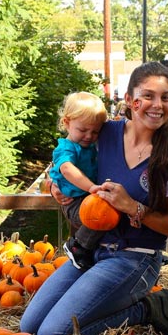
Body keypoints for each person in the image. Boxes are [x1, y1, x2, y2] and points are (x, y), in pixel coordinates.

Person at [20, 61, 168, 335]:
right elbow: (66, 158)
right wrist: (55, 187)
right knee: (29, 328)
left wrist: (132, 207)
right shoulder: (104, 134)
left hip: (134, 258)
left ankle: (147, 309)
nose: (157, 105)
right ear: (129, 100)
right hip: (89, 249)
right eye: (148, 96)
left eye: (165, 97)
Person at [48, 92, 109, 270]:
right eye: (83, 130)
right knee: (98, 216)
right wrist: (92, 187)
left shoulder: (89, 145)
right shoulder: (65, 148)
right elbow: (66, 169)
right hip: (73, 201)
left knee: (104, 212)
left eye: (95, 131)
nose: (89, 136)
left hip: (86, 197)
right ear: (67, 123)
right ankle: (78, 246)